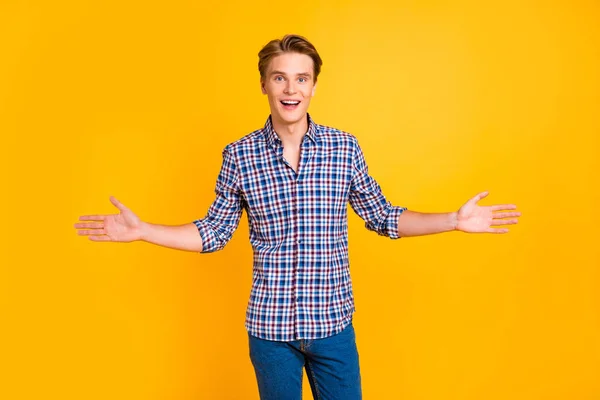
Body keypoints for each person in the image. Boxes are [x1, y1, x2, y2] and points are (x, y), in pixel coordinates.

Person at [74, 34, 520, 400]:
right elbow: (213, 232)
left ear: (314, 87)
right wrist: (143, 230)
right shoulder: (239, 155)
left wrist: (453, 221)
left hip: (333, 327)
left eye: (301, 79)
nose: (291, 89)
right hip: (270, 332)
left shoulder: (343, 148)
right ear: (264, 84)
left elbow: (384, 217)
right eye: (280, 78)